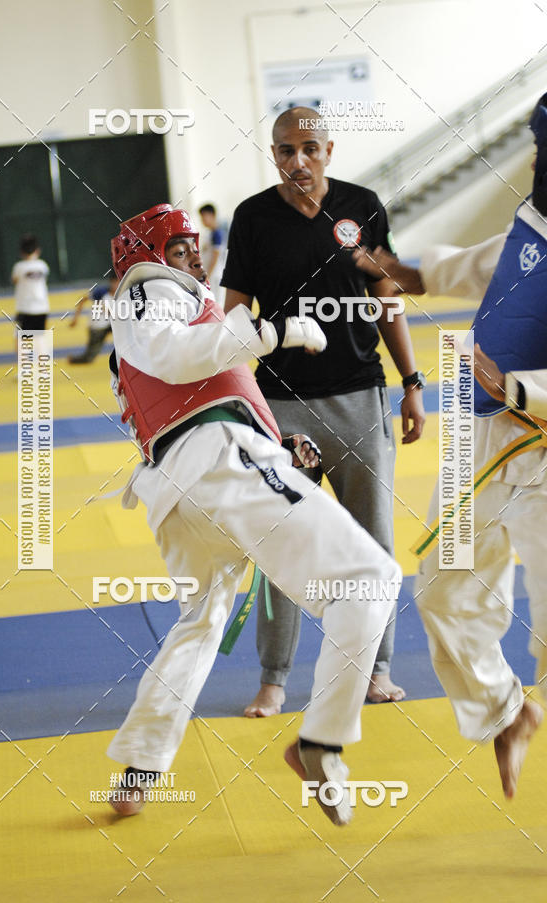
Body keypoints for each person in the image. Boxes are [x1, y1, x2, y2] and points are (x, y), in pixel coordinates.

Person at [105, 203, 402, 825]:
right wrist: (273, 331)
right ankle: (321, 739)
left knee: (201, 622)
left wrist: (279, 446)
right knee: (372, 578)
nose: (195, 252)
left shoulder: (165, 303)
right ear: (149, 252)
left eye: (195, 242)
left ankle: (140, 763)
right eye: (180, 242)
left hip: (189, 482)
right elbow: (178, 357)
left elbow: (206, 383)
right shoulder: (151, 291)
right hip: (218, 462)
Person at [353, 91, 547, 798]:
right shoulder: (532, 227)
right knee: (440, 589)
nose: (534, 160)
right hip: (480, 443)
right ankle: (505, 711)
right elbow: (472, 265)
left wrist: (519, 387)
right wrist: (391, 265)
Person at [221, 106, 425, 715]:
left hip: (361, 396)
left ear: (329, 150)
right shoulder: (253, 218)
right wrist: (233, 400)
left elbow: (388, 299)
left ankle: (374, 667)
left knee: (373, 542)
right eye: (286, 150)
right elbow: (233, 317)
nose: (298, 160)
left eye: (310, 148)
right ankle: (275, 676)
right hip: (280, 405)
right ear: (274, 154)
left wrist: (413, 382)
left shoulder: (363, 207)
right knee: (283, 542)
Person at [68, 276, 119, 363]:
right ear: (111, 282)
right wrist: (75, 318)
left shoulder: (122, 293)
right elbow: (83, 299)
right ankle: (73, 359)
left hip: (110, 324)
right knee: (88, 358)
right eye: (115, 282)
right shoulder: (101, 293)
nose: (117, 285)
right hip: (97, 327)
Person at [11, 233, 50, 331]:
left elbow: (14, 280)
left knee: (24, 341)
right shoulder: (43, 265)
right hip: (42, 307)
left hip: (25, 308)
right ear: (38, 250)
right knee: (40, 338)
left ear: (21, 252)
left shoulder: (19, 267)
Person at [198, 203, 227, 298]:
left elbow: (216, 255)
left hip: (215, 275)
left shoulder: (217, 234)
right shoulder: (210, 234)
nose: (202, 220)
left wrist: (208, 275)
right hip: (211, 274)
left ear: (212, 215)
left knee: (217, 302)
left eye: (204, 217)